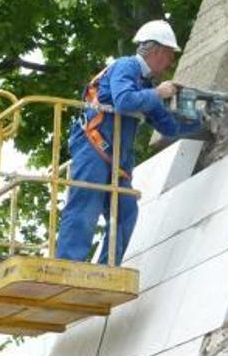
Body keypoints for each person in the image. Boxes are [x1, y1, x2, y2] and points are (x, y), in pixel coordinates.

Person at [56, 20, 200, 265]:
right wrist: (159, 94)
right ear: (156, 52)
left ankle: (106, 268)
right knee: (85, 205)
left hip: (115, 158)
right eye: (169, 56)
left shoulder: (145, 85)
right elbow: (124, 102)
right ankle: (68, 266)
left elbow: (167, 126)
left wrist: (200, 120)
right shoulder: (126, 66)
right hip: (93, 146)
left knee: (126, 211)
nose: (170, 63)